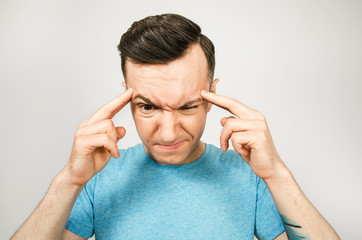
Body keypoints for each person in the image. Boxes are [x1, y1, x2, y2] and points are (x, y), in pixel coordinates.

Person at [11, 13, 340, 240]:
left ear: (212, 97)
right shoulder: (98, 178)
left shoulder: (249, 178)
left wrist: (276, 174)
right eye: (148, 107)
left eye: (187, 106)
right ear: (126, 99)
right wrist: (69, 180)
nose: (168, 133)